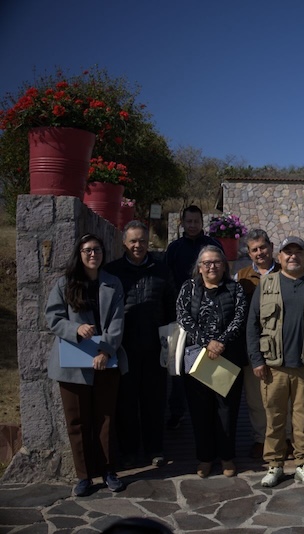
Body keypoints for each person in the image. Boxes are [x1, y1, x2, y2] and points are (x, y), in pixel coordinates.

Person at [45, 233, 128, 496]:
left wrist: (106, 351)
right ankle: (84, 476)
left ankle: (108, 471)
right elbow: (53, 317)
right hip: (72, 364)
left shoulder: (113, 283)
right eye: (87, 250)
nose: (93, 254)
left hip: (106, 361)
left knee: (106, 419)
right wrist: (75, 329)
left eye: (97, 249)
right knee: (77, 421)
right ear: (79, 254)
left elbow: (117, 321)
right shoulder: (65, 284)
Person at [247, 237, 304, 488]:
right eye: (287, 252)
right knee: (274, 419)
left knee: (303, 421)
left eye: (298, 252)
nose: (293, 256)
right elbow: (252, 324)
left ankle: (303, 464)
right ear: (279, 257)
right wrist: (256, 360)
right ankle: (275, 465)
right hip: (274, 366)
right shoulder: (267, 283)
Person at [105, 221, 176, 469]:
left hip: (155, 347)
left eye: (143, 241)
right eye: (133, 241)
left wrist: (170, 341)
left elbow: (171, 307)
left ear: (149, 243)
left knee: (154, 402)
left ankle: (155, 449)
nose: (138, 245)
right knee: (126, 402)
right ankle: (129, 451)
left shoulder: (162, 270)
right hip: (124, 348)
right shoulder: (112, 272)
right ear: (124, 243)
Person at [176, 245, 247, 478]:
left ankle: (227, 457)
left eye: (216, 262)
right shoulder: (188, 288)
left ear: (224, 265)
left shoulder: (235, 288)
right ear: (199, 267)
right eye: (206, 263)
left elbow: (239, 318)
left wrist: (221, 342)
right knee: (200, 410)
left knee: (227, 410)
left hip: (228, 357)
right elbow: (183, 316)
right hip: (197, 357)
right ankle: (205, 458)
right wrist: (207, 342)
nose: (212, 266)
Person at [165, 205, 222, 429]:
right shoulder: (174, 248)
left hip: (209, 316)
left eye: (196, 221)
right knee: (179, 366)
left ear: (202, 222)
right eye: (188, 221)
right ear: (183, 222)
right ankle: (178, 411)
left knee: (208, 363)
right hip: (181, 316)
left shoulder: (212, 246)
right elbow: (168, 279)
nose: (192, 225)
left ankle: (210, 410)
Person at [234, 229, 278, 460]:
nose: (260, 252)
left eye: (263, 247)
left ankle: (285, 438)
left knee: (281, 396)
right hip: (252, 345)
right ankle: (261, 439)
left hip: (280, 345)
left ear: (271, 247)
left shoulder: (285, 272)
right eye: (254, 249)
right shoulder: (241, 277)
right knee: (256, 398)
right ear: (249, 253)